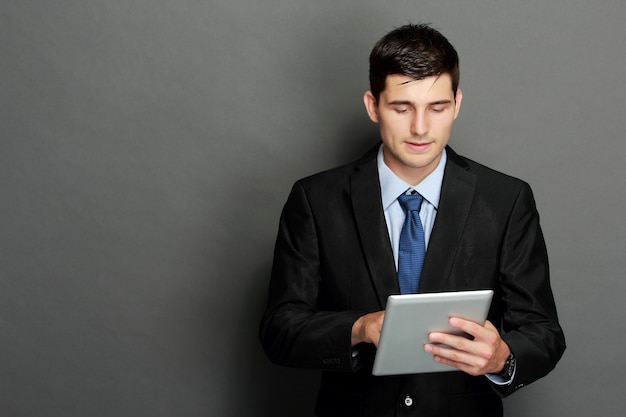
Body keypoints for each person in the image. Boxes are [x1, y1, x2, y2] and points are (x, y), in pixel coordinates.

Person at [259, 23, 565, 417]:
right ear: (373, 106)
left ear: (456, 104)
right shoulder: (315, 199)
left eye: (436, 108)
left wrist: (502, 358)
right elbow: (279, 330)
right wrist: (359, 328)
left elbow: (544, 332)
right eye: (402, 108)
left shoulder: (506, 200)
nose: (420, 128)